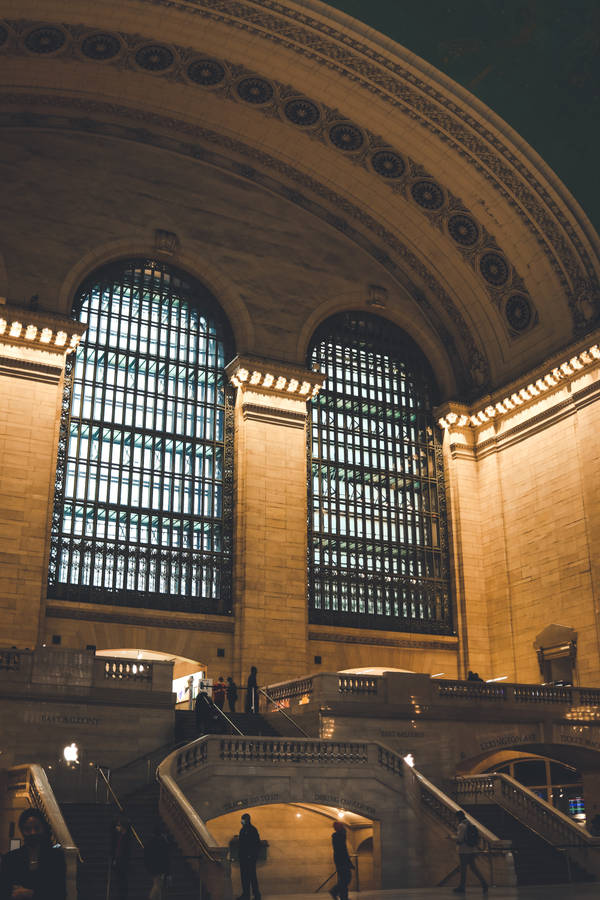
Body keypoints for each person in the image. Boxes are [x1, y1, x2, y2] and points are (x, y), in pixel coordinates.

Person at [0, 807, 66, 900]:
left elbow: (60, 894)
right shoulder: (10, 858)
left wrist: (30, 894)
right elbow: (4, 892)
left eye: (36, 828)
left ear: (43, 828)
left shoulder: (55, 857)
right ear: (22, 831)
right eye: (27, 829)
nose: (32, 832)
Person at [453, 810, 488, 894]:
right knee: (474, 868)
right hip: (472, 849)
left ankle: (462, 887)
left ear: (458, 817)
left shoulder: (461, 825)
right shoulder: (470, 824)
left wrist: (451, 837)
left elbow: (460, 839)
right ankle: (484, 883)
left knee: (463, 869)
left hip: (464, 851)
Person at [237, 813, 261, 900]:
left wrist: (252, 856)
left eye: (243, 819)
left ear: (247, 820)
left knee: (251, 877)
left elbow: (256, 844)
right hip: (244, 858)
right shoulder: (244, 830)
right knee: (245, 877)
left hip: (249, 858)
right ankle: (246, 894)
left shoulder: (251, 830)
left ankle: (256, 895)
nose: (241, 821)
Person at [144, 824, 170, 900]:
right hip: (160, 868)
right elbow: (166, 856)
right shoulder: (162, 842)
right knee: (158, 886)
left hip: (153, 868)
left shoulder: (150, 843)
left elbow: (146, 856)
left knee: (158, 886)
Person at [329, 821, 353, 900]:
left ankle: (343, 896)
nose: (343, 827)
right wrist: (348, 862)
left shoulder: (339, 836)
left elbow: (343, 850)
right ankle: (336, 892)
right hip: (341, 860)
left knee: (344, 879)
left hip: (340, 860)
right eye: (341, 826)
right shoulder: (339, 836)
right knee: (345, 879)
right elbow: (343, 850)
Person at [110, 815, 132, 900]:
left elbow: (125, 851)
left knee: (123, 882)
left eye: (119, 825)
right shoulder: (119, 836)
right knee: (119, 882)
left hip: (123, 863)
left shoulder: (126, 837)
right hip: (118, 862)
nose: (117, 827)